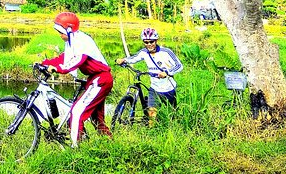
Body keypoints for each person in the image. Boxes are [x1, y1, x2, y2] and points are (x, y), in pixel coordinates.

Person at [41, 11, 113, 146]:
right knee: (97, 119)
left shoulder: (81, 41)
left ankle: (76, 151)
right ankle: (109, 145)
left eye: (61, 32)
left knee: (76, 112)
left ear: (69, 29)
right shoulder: (71, 41)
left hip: (101, 79)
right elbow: (64, 58)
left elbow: (78, 60)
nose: (60, 35)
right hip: (95, 79)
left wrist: (59, 69)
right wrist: (45, 63)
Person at [115, 27, 183, 121]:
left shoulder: (166, 52)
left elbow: (179, 66)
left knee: (173, 114)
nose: (149, 44)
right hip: (154, 88)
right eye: (146, 42)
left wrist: (167, 72)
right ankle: (152, 130)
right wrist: (123, 60)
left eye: (151, 42)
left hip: (168, 88)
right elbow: (134, 58)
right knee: (151, 113)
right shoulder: (144, 53)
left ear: (156, 41)